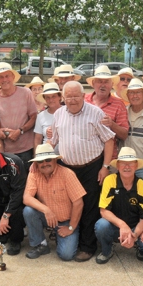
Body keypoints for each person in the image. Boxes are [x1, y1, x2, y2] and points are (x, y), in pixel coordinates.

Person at [48, 81, 116, 262]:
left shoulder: (95, 113)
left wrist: (105, 167)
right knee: (69, 205)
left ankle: (87, 247)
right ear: (63, 98)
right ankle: (72, 240)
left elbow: (109, 140)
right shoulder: (58, 114)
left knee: (89, 207)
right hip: (67, 168)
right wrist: (41, 157)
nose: (72, 100)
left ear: (83, 95)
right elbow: (53, 141)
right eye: (68, 96)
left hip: (92, 167)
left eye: (76, 96)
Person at [21, 144, 86, 261]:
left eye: (48, 159)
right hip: (47, 217)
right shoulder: (34, 173)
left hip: (66, 221)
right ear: (36, 163)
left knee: (66, 255)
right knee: (28, 211)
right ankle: (41, 245)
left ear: (55, 160)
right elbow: (26, 198)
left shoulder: (67, 174)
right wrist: (46, 210)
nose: (45, 163)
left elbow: (78, 203)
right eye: (40, 161)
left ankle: (64, 235)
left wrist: (71, 227)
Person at [95, 147, 143, 264]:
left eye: (131, 164)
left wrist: (134, 235)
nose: (127, 167)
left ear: (136, 166)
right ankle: (107, 250)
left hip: (136, 227)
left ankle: (140, 248)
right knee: (101, 225)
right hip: (116, 226)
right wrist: (122, 225)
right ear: (118, 166)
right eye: (123, 163)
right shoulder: (109, 180)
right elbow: (104, 211)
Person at [0, 62, 38, 166]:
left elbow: (34, 117)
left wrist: (20, 131)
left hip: (26, 149)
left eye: (7, 76)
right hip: (5, 150)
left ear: (13, 77)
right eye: (1, 77)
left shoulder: (26, 93)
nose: (4, 79)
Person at [85, 65, 129, 146]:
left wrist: (112, 124)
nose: (103, 85)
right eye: (100, 81)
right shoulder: (83, 100)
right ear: (93, 83)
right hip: (85, 155)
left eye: (106, 81)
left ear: (112, 84)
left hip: (110, 156)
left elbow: (124, 135)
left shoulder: (119, 105)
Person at [33, 83, 62, 151]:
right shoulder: (40, 116)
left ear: (59, 97)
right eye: (47, 97)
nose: (51, 100)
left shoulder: (67, 112)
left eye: (53, 96)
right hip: (47, 156)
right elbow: (37, 140)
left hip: (66, 156)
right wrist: (37, 157)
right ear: (45, 99)